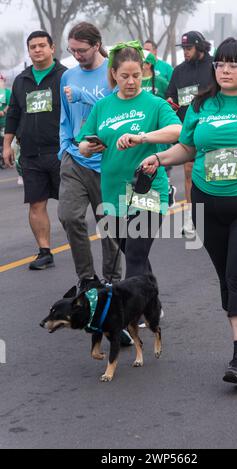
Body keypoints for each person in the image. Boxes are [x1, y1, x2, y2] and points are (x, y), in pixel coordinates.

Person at [141, 37, 237, 386]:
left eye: (233, 64)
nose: (225, 70)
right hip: (207, 202)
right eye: (220, 64)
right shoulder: (201, 105)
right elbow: (186, 147)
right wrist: (158, 158)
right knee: (228, 279)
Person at [77, 41, 181, 288]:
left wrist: (143, 137)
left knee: (135, 253)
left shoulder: (155, 104)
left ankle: (129, 316)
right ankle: (151, 301)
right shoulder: (103, 106)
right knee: (134, 252)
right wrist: (88, 147)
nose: (132, 81)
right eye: (125, 76)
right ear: (114, 73)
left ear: (144, 72)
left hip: (147, 189)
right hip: (112, 191)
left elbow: (177, 130)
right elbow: (82, 142)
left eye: (137, 75)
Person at [58, 22, 122, 292]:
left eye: (81, 50)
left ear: (96, 45)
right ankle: (87, 278)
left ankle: (112, 280)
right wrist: (63, 148)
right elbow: (64, 117)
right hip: (74, 157)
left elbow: (116, 113)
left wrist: (85, 97)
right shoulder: (68, 77)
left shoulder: (113, 74)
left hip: (106, 160)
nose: (77, 56)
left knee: (109, 226)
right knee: (69, 216)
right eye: (72, 50)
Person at [3, 31, 66, 270]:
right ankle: (44, 251)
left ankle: (78, 244)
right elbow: (13, 114)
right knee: (36, 204)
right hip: (30, 153)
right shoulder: (21, 80)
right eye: (33, 47)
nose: (37, 50)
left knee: (68, 204)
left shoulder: (65, 77)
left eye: (42, 45)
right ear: (28, 51)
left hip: (61, 151)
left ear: (52, 47)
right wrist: (7, 145)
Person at [167, 31, 214, 237]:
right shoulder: (179, 71)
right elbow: (171, 96)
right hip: (188, 128)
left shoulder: (215, 67)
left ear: (200, 47)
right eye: (183, 49)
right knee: (189, 171)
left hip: (213, 129)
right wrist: (170, 103)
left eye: (189, 48)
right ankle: (192, 215)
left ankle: (216, 212)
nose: (185, 52)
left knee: (212, 171)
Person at [142, 52, 176, 208]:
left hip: (159, 130)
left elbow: (170, 98)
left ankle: (166, 188)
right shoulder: (134, 82)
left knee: (160, 159)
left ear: (148, 64)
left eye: (141, 63)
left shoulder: (161, 82)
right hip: (142, 130)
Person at [0, 74, 11, 169]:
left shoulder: (7, 92)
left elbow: (10, 104)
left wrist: (3, 111)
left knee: (5, 141)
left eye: (1, 80)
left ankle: (7, 160)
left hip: (5, 122)